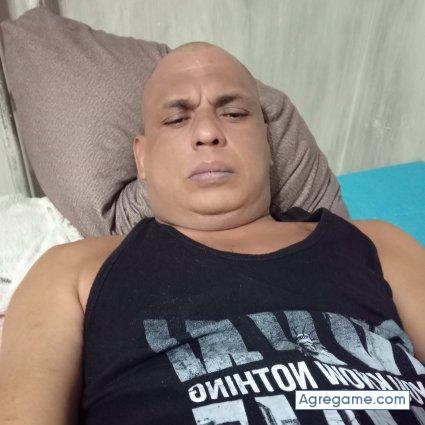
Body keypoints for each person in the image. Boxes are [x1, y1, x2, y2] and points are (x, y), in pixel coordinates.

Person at [0, 41, 424, 425]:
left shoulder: (378, 244)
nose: (207, 133)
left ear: (267, 141)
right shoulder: (76, 270)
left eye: (234, 113)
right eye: (176, 118)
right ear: (142, 159)